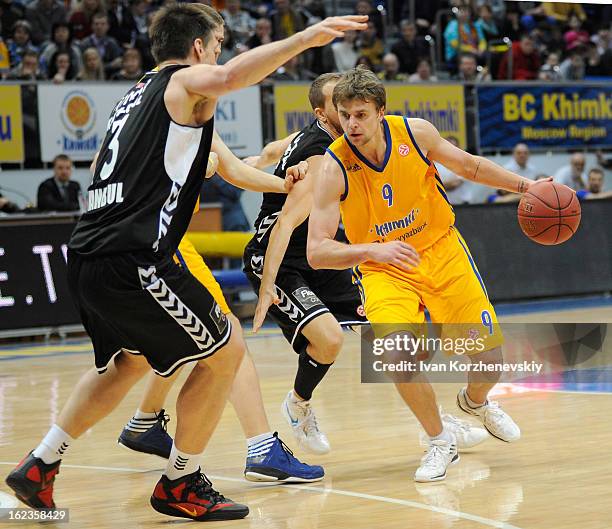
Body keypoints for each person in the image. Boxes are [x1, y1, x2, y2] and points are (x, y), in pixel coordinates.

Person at [5, 3, 367, 521]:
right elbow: (227, 76)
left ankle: (40, 464)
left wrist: (279, 182)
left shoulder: (139, 95)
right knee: (227, 347)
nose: (219, 54)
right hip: (134, 257)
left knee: (127, 361)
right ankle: (181, 481)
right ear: (198, 47)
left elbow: (229, 166)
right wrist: (303, 39)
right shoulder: (185, 83)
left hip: (88, 254)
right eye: (218, 43)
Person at [307, 67, 530, 483]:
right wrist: (373, 248)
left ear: (380, 112)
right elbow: (317, 251)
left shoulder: (416, 133)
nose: (352, 124)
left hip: (441, 250)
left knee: (488, 361)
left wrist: (526, 187)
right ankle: (439, 440)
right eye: (345, 115)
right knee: (398, 355)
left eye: (360, 114)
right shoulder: (332, 166)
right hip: (382, 268)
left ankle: (475, 403)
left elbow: (471, 167)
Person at [244, 74, 485, 456]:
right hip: (280, 258)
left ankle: (436, 421)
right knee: (330, 340)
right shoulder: (325, 157)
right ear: (326, 113)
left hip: (327, 256)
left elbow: (272, 149)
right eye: (341, 104)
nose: (350, 107)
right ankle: (298, 404)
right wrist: (266, 286)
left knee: (392, 340)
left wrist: (252, 164)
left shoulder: (322, 138)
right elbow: (286, 225)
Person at [118, 143, 325, 485]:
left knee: (182, 340)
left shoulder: (147, 107)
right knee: (228, 337)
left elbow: (233, 168)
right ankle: (261, 448)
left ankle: (142, 423)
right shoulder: (179, 107)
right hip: (161, 240)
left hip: (142, 238)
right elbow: (228, 169)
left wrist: (282, 183)